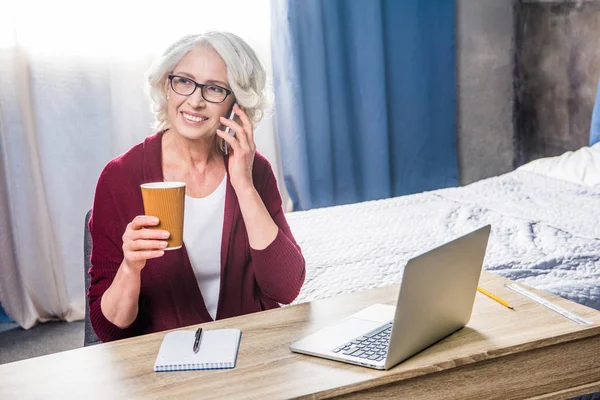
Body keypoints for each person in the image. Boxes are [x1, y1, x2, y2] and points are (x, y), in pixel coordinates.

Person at [88, 31, 306, 342]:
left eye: (215, 89)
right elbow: (108, 330)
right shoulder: (119, 178)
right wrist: (130, 267)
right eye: (184, 81)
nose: (195, 100)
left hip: (251, 350)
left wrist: (243, 184)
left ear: (237, 105)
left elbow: (286, 289)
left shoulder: (254, 170)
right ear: (167, 85)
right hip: (167, 362)